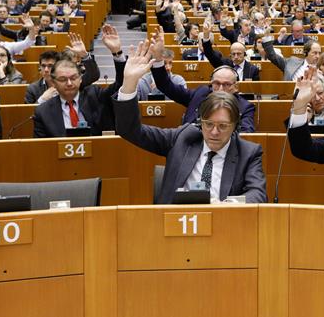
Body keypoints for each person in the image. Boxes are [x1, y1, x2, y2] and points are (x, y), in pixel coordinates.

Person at [113, 41, 267, 204]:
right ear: (200, 122)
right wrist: (129, 84)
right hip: (173, 223)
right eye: (208, 124)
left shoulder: (248, 152)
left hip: (224, 224)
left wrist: (226, 206)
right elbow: (129, 130)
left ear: (235, 125)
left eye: (222, 126)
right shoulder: (182, 138)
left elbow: (258, 194)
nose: (214, 132)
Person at [150, 29, 255, 132]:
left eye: (227, 84)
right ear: (211, 84)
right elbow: (165, 85)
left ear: (236, 87)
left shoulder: (245, 107)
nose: (221, 89)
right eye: (216, 84)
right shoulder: (200, 94)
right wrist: (158, 59)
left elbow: (246, 134)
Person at [32, 24, 125, 137]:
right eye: (63, 79)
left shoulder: (95, 95)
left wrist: (117, 53)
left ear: (81, 79)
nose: (69, 83)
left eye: (73, 78)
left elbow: (121, 85)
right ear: (54, 82)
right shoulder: (43, 111)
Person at [25, 34, 100, 103]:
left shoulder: (72, 83)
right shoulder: (33, 89)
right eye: (43, 66)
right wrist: (42, 100)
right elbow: (27, 115)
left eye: (50, 66)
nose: (46, 70)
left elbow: (93, 75)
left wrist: (84, 55)